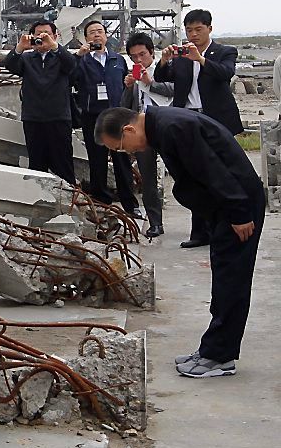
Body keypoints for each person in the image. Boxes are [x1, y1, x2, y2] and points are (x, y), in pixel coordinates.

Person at [94, 106, 264, 378]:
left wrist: (239, 213)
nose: (129, 153)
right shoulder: (162, 126)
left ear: (128, 129)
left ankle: (219, 356)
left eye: (123, 148)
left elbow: (213, 170)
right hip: (228, 206)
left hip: (238, 205)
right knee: (223, 277)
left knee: (231, 281)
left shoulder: (172, 127)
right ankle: (211, 348)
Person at [154, 9, 241, 248]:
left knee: (221, 175)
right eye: (189, 30)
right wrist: (164, 60)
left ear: (209, 29)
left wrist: (201, 60)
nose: (193, 35)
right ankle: (199, 232)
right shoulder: (182, 56)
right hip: (188, 119)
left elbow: (225, 73)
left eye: (198, 30)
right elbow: (162, 77)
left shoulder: (224, 51)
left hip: (216, 120)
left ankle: (224, 228)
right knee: (194, 176)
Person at [73, 20, 143, 217]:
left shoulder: (117, 59)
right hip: (92, 115)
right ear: (85, 38)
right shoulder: (82, 60)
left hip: (117, 117)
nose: (97, 35)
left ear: (106, 36)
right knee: (97, 160)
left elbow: (125, 84)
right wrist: (80, 56)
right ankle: (101, 203)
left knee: (122, 160)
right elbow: (70, 77)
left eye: (100, 31)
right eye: (92, 32)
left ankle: (130, 204)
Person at [2, 20, 77, 185]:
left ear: (55, 36)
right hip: (33, 118)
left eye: (47, 34)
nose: (42, 38)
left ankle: (69, 200)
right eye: (38, 35)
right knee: (37, 165)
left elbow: (72, 65)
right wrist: (20, 48)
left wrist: (55, 46)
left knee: (63, 163)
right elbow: (10, 65)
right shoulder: (28, 58)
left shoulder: (61, 57)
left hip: (58, 118)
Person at [121, 33, 174, 238]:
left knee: (182, 172)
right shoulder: (132, 74)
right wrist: (128, 86)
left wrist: (149, 82)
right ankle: (155, 223)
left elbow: (173, 90)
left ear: (151, 52)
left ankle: (200, 221)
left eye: (142, 54)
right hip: (142, 129)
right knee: (148, 179)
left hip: (165, 125)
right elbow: (124, 105)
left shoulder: (164, 69)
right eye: (134, 56)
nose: (138, 60)